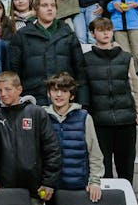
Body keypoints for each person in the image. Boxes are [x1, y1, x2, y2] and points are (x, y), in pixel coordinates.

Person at [77, 17, 138, 182]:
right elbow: (84, 88)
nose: (105, 33)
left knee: (126, 167)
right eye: (100, 30)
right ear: (92, 33)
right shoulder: (86, 59)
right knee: (102, 167)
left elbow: (135, 85)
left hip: (125, 119)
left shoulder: (126, 57)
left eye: (108, 29)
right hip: (99, 120)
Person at [0, 71, 61, 202]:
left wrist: (49, 182)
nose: (3, 94)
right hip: (5, 187)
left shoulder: (36, 112)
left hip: (36, 188)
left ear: (19, 89)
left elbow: (52, 149)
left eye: (8, 89)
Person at [8, 0, 83, 105]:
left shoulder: (68, 34)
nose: (50, 8)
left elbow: (80, 70)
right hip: (33, 99)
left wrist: (83, 101)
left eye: (53, 5)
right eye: (45, 5)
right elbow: (14, 72)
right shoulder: (21, 36)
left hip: (64, 99)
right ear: (35, 10)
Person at [43, 73, 103, 202]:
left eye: (64, 91)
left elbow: (95, 153)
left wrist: (95, 182)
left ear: (72, 95)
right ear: (49, 93)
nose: (59, 95)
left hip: (78, 187)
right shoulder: (41, 116)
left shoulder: (84, 117)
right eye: (55, 90)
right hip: (48, 188)